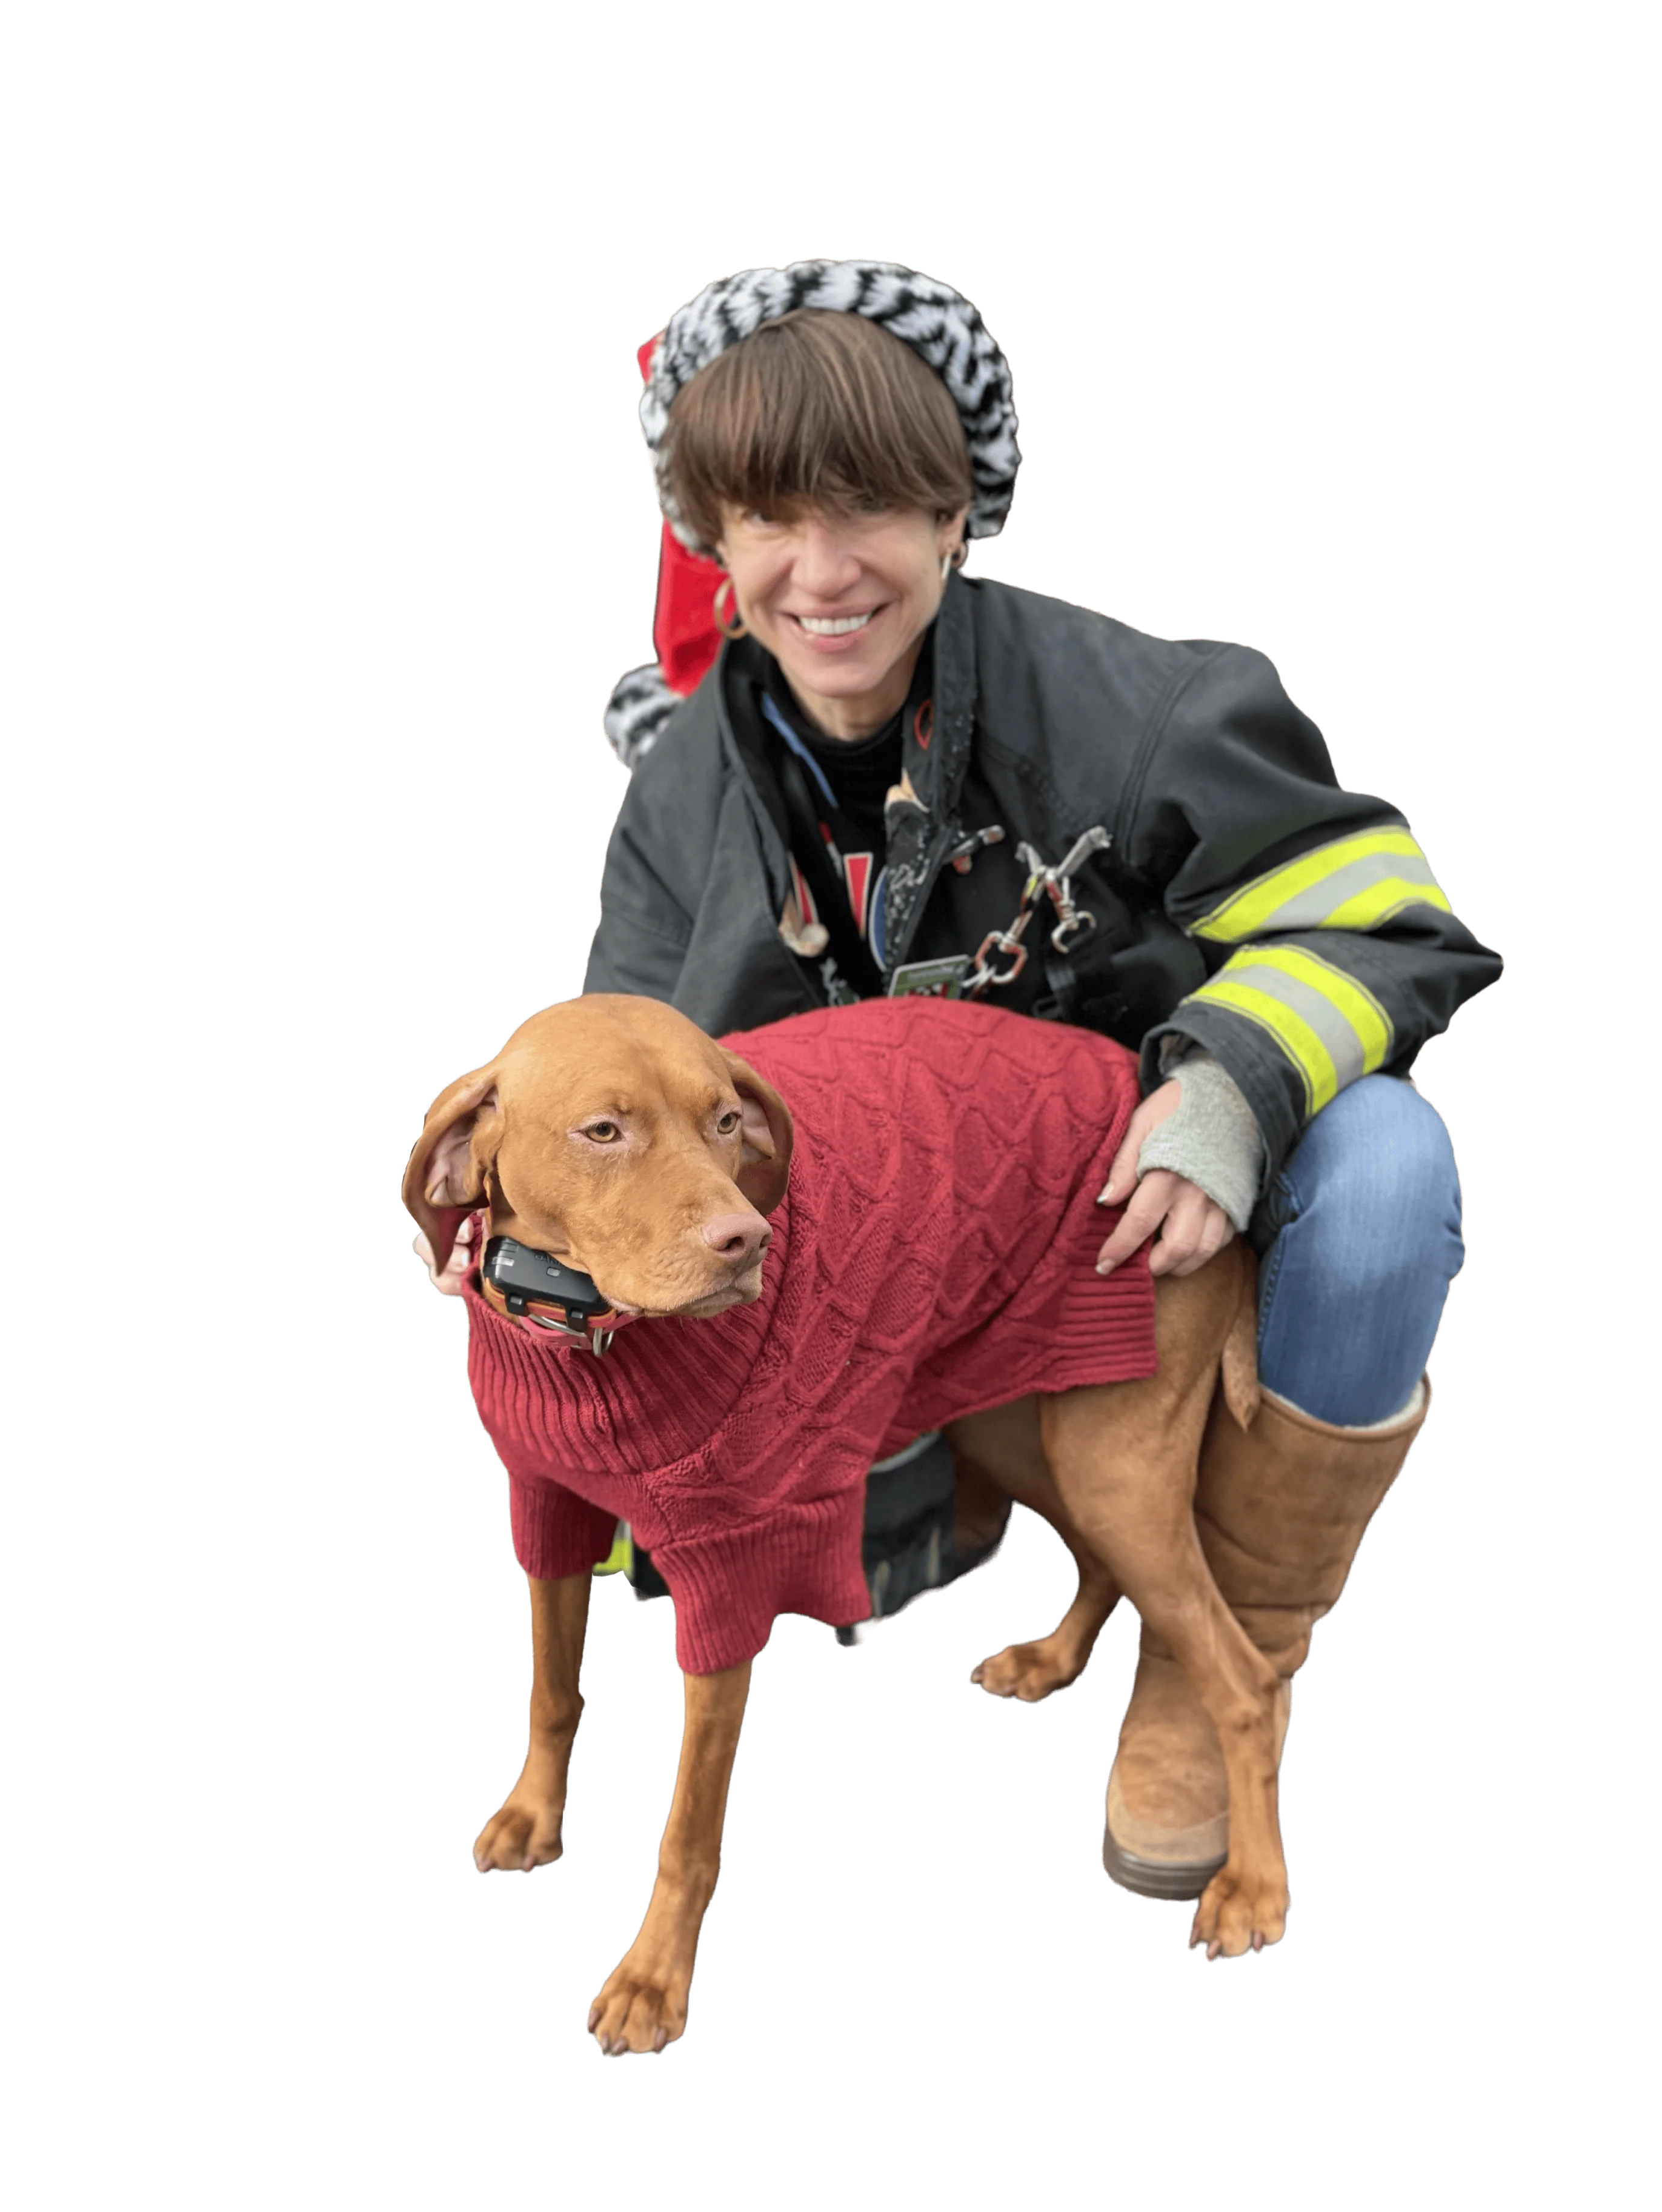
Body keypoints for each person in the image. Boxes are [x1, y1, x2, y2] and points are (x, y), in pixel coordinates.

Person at [433, 260, 1501, 1904]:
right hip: (897, 1242)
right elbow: (619, 1060)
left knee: (1386, 1164)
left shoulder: (1144, 705)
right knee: (801, 1520)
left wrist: (1220, 1087)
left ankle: (1231, 1639)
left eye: (870, 505)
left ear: (957, 514)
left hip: (1145, 1174)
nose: (821, 568)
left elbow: (1385, 920)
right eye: (766, 516)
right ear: (711, 543)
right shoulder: (678, 783)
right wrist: (514, 1214)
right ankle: (991, 1502)